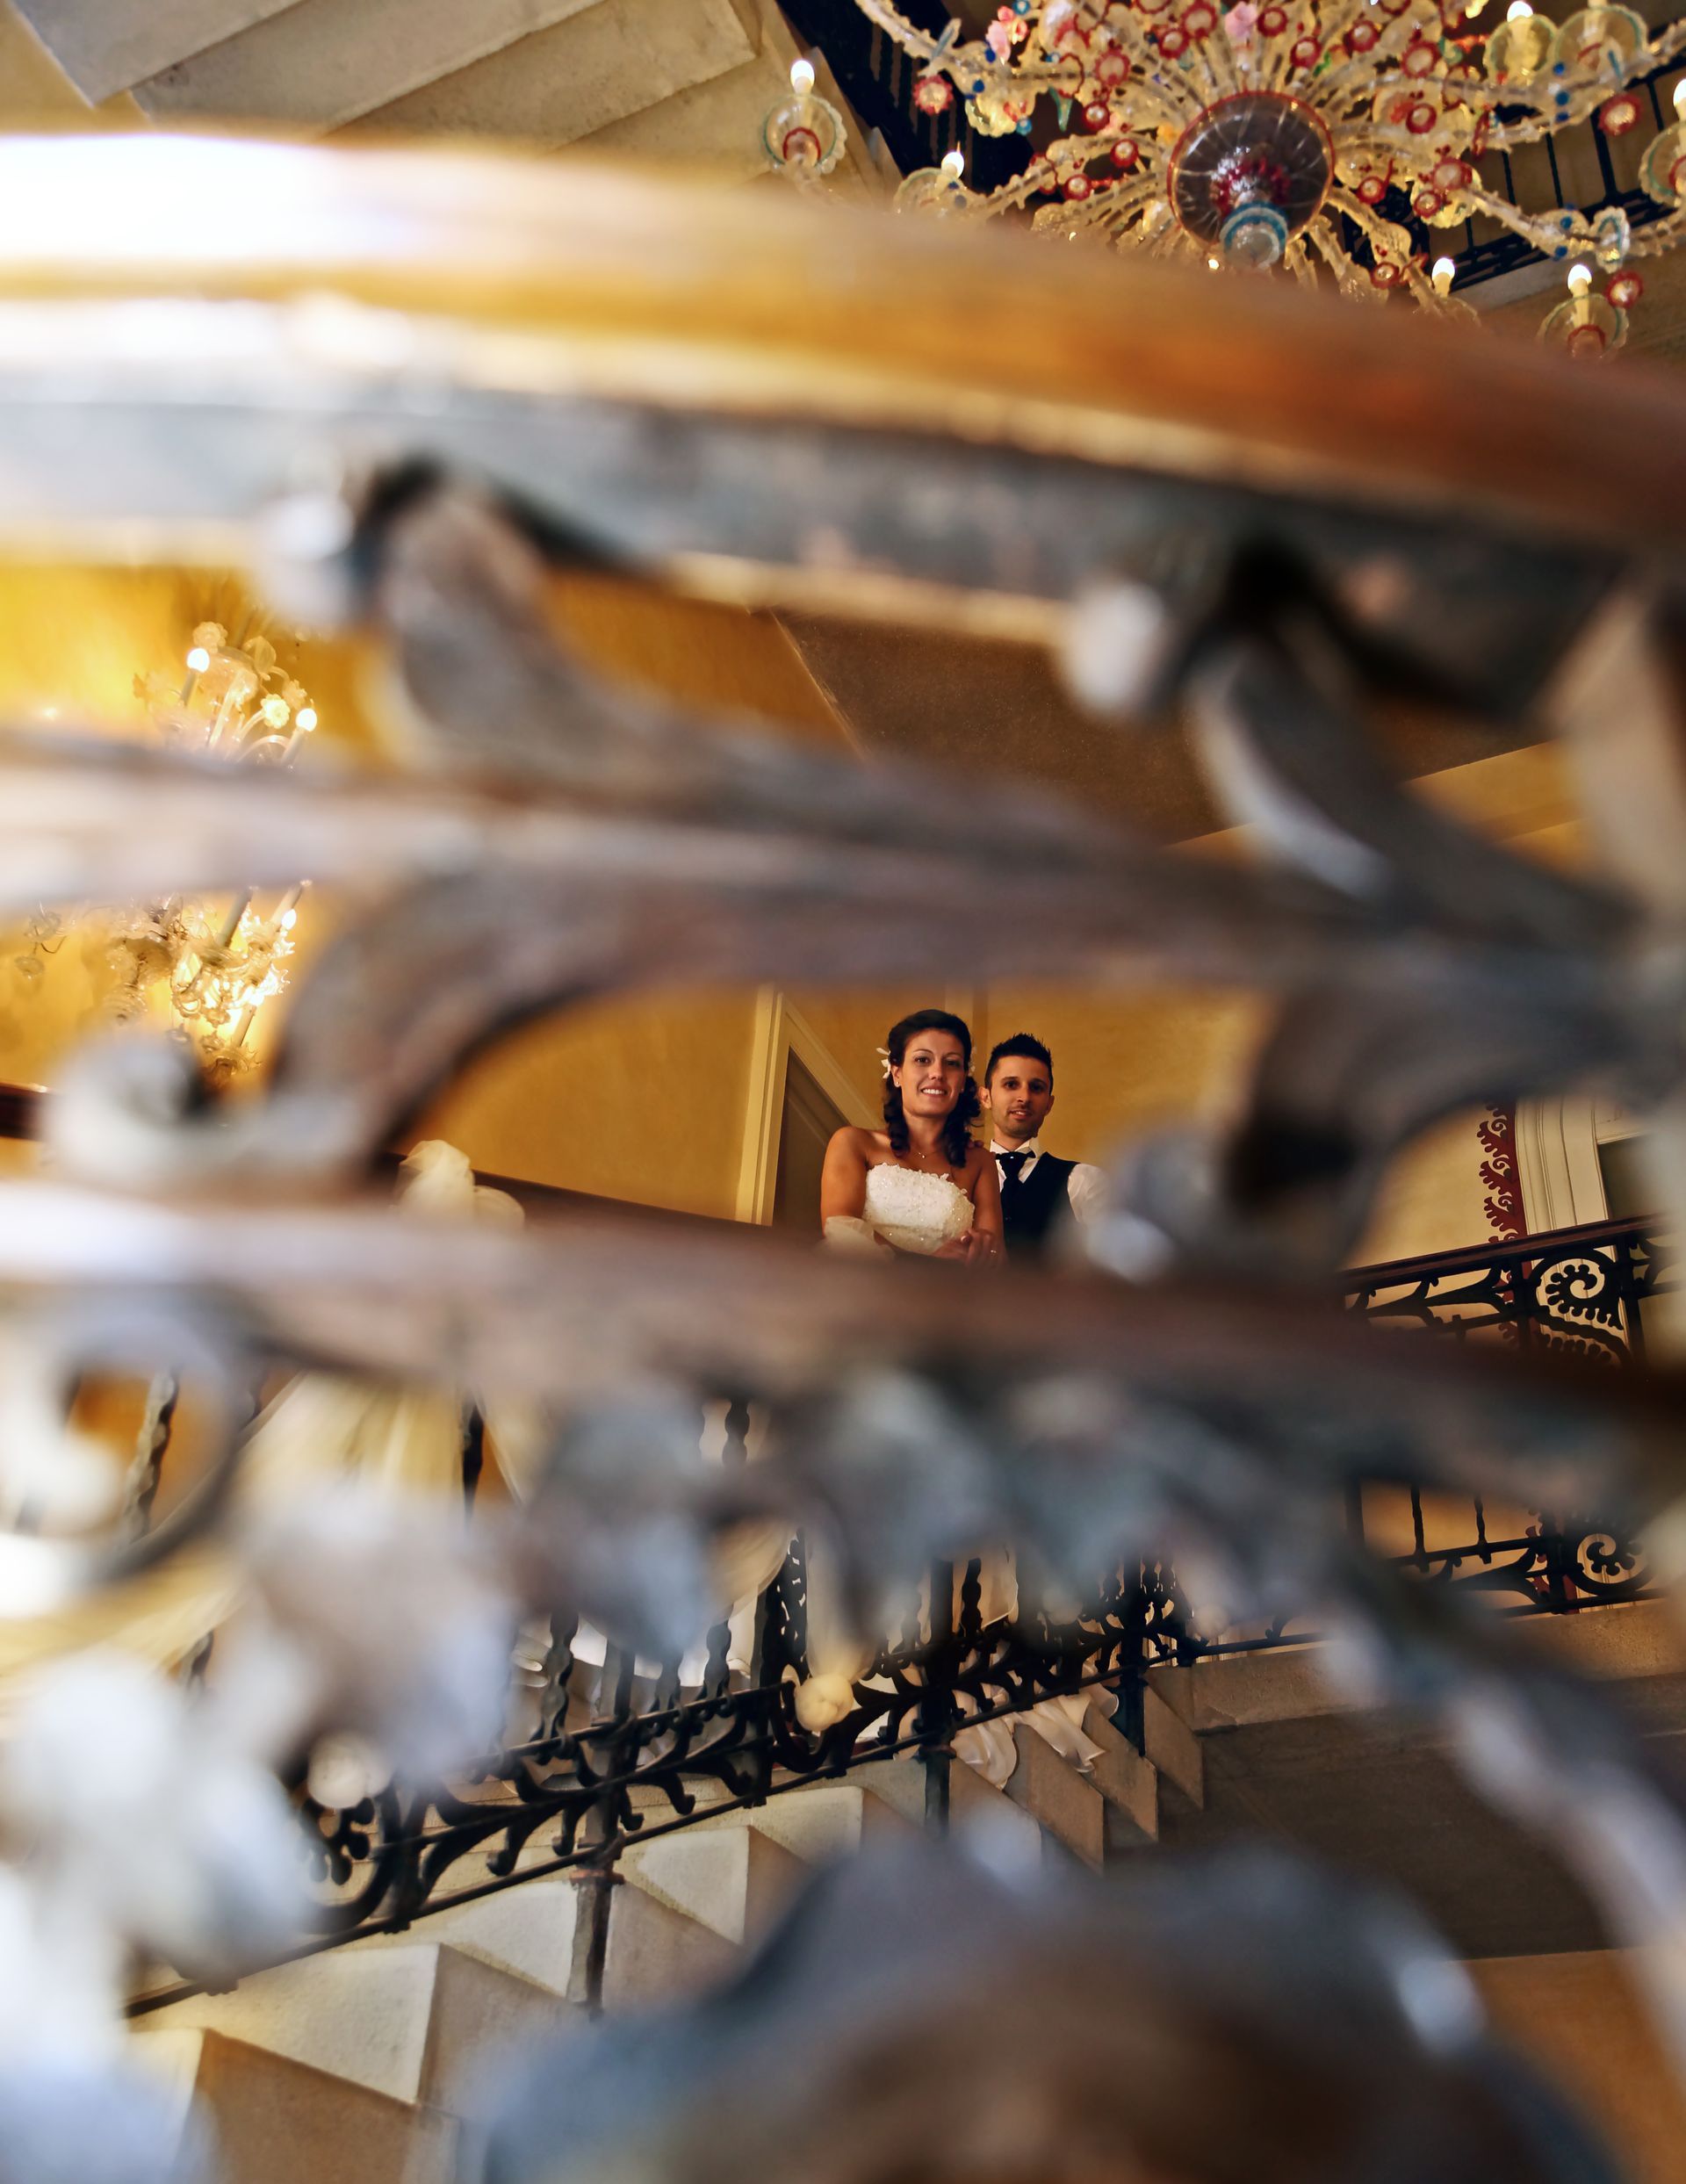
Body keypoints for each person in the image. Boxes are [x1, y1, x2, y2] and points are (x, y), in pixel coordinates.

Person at [819, 1008, 1003, 1265]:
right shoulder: (853, 1143)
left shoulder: (980, 1162)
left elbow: (995, 1259)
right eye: (922, 1060)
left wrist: (983, 1249)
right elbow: (841, 1230)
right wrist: (926, 1264)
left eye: (951, 1063)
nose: (938, 1073)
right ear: (897, 1073)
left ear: (963, 1081)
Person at [980, 1034, 1108, 1263]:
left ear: (1049, 1103)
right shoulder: (962, 1178)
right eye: (1011, 1085)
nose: (1024, 1097)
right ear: (985, 1096)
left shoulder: (1083, 1182)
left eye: (1036, 1088)